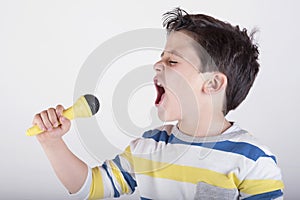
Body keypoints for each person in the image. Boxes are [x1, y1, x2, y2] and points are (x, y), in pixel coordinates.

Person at [32, 8, 284, 199]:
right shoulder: (147, 147)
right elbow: (91, 187)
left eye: (173, 61)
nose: (157, 65)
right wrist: (52, 142)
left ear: (213, 84)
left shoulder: (254, 160)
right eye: (160, 58)